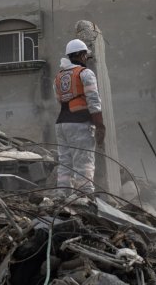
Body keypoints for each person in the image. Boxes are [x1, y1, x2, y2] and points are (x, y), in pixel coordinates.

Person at [53, 39, 105, 194]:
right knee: (84, 162)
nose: (86, 59)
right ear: (81, 55)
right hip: (80, 123)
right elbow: (93, 101)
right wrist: (100, 125)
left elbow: (59, 100)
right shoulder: (85, 73)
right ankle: (85, 197)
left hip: (61, 124)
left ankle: (62, 195)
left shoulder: (58, 76)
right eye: (85, 56)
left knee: (65, 163)